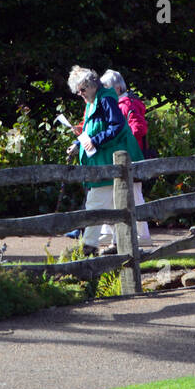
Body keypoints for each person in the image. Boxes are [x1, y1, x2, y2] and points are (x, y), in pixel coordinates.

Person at [65, 66, 144, 256]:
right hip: (102, 161)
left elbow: (116, 126)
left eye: (82, 89)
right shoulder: (93, 101)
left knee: (98, 202)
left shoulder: (106, 98)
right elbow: (90, 128)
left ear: (91, 85)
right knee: (115, 204)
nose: (80, 94)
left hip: (111, 161)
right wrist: (78, 143)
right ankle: (118, 244)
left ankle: (89, 246)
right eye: (78, 91)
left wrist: (94, 141)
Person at [99, 70, 151, 244]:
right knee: (114, 193)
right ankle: (109, 232)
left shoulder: (127, 104)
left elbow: (139, 128)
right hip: (122, 154)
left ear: (118, 87)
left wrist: (123, 138)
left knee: (134, 193)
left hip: (131, 155)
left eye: (108, 87)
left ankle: (143, 235)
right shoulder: (118, 103)